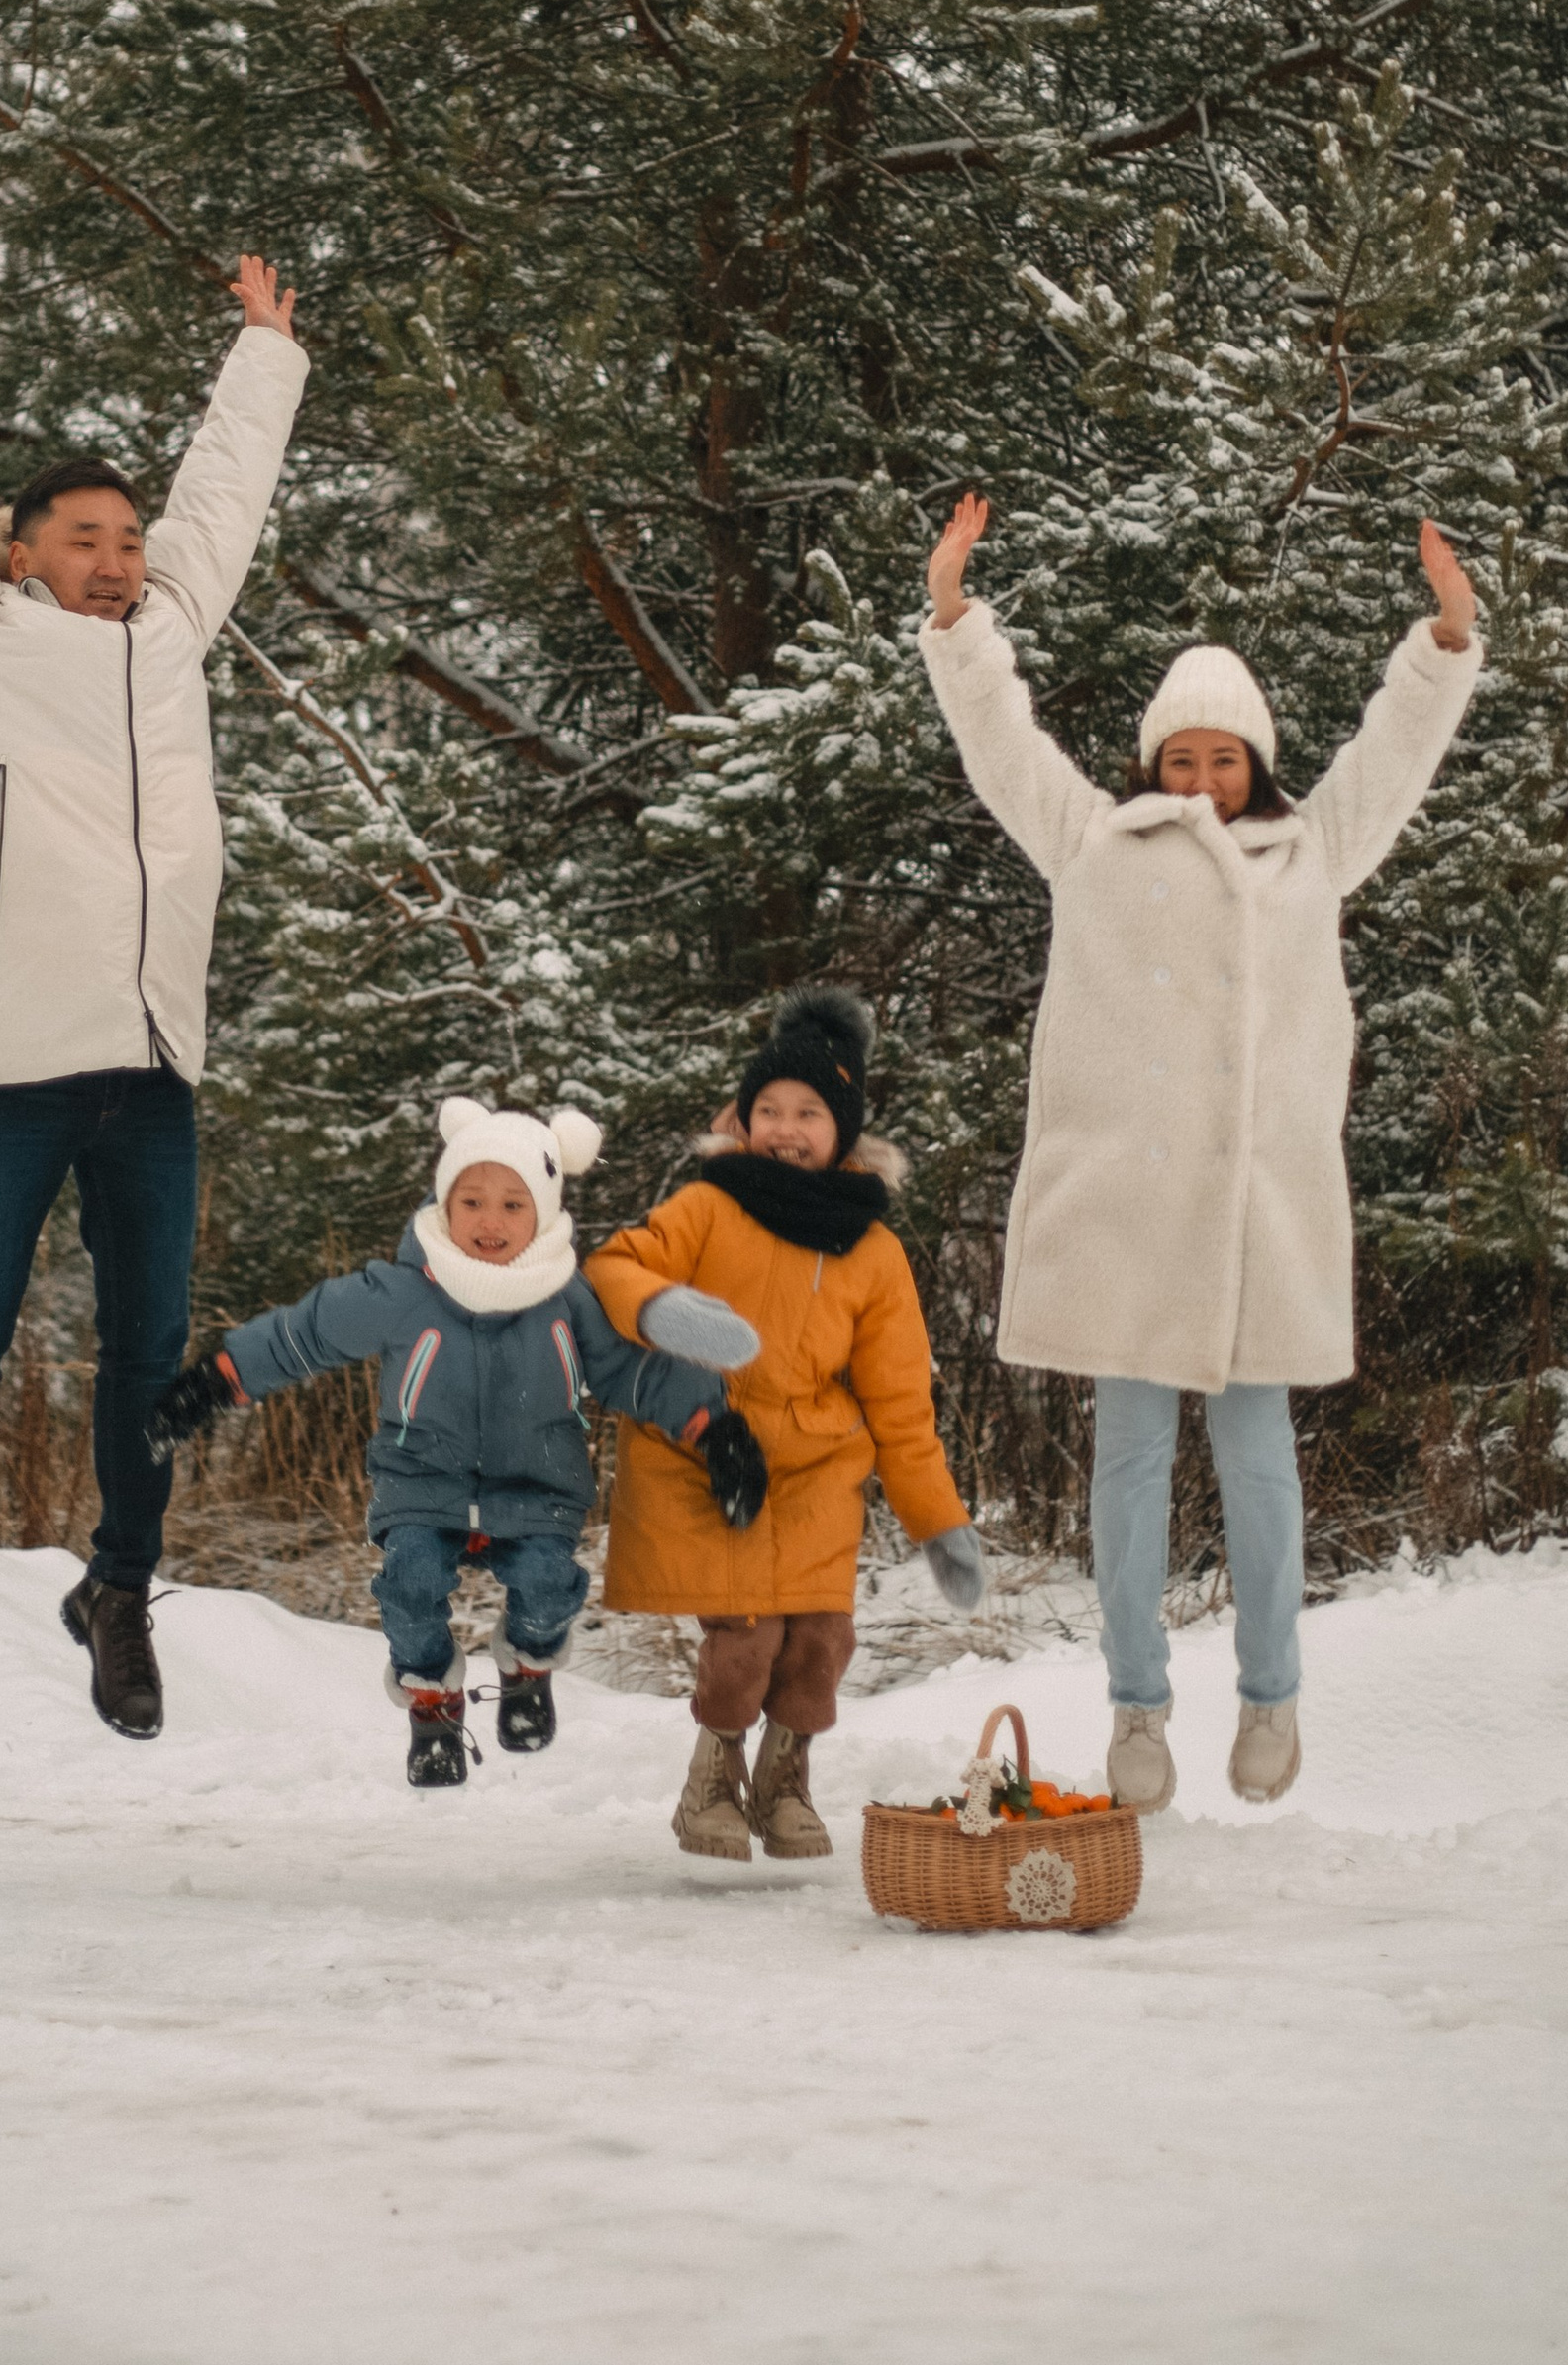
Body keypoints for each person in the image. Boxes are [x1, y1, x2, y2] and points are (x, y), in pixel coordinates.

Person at [919, 498, 1481, 1814]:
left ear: (1257, 767)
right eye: (1182, 757)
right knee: (1125, 1466)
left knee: (1257, 1456)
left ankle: (1272, 1698)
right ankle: (1136, 1715)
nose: (1203, 781)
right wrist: (955, 615)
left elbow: (1393, 752)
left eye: (1226, 760)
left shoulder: (1315, 849)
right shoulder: (1089, 843)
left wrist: (1446, 639)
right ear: (1151, 765)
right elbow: (1004, 743)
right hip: (1128, 1213)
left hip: (1256, 1216)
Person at [0, 211, 309, 1750]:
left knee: (148, 1360)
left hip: (152, 1063)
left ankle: (121, 1591)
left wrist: (266, 351)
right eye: (83, 540)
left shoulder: (170, 638)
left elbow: (221, 499)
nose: (117, 559)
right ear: (19, 554)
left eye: (126, 541)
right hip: (11, 1065)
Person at [149, 1099, 770, 1781]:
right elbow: (307, 1332)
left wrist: (717, 1430)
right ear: (445, 1203)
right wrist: (217, 1379)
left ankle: (529, 1668)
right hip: (423, 1483)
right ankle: (433, 1705)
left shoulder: (568, 1296)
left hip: (538, 1488)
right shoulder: (401, 1291)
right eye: (471, 1199)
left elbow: (632, 1372)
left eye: (512, 1204)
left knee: (547, 1581)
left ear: (542, 1212)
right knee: (410, 1583)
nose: (489, 1220)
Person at [584, 990, 986, 1866]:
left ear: (843, 1129)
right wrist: (668, 1311)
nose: (786, 1127)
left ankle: (785, 1776)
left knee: (821, 1638)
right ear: (743, 1117)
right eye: (768, 1109)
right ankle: (711, 1781)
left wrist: (937, 1520)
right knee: (747, 1635)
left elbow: (900, 1400)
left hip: (817, 1464)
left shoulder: (872, 1250)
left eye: (808, 1111)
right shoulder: (706, 1204)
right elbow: (612, 1267)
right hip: (711, 1446)